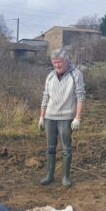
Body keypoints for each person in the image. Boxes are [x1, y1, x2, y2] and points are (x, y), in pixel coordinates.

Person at [38, 49, 85, 188]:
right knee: (50, 147)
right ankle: (49, 176)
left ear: (67, 60)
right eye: (54, 62)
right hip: (49, 117)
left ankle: (65, 177)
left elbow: (80, 97)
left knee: (66, 148)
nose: (57, 65)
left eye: (60, 62)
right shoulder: (50, 76)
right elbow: (45, 97)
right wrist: (41, 117)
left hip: (66, 117)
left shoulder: (76, 74)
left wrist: (77, 118)